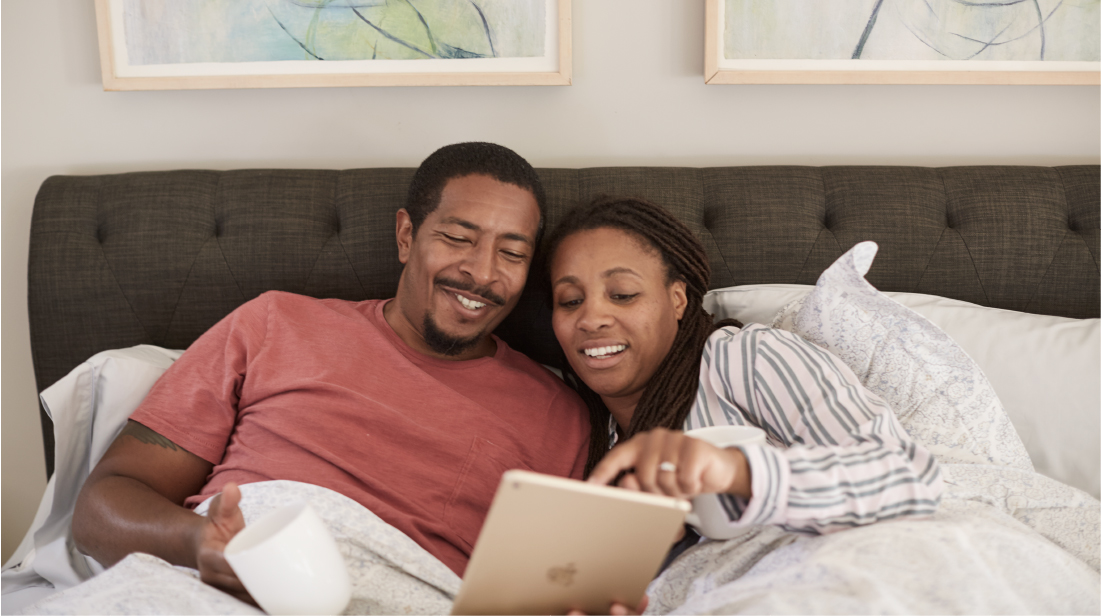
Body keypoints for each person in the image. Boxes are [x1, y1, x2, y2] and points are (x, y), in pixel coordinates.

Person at [72, 142, 591, 602]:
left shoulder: (559, 417)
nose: (482, 273)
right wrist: (199, 542)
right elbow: (100, 508)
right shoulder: (275, 324)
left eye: (513, 252)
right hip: (228, 583)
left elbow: (548, 591)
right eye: (458, 238)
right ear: (407, 235)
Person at [545, 195, 943, 545]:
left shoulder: (744, 360)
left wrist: (737, 471)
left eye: (623, 295)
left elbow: (907, 475)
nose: (591, 317)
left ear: (678, 299)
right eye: (569, 300)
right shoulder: (589, 443)